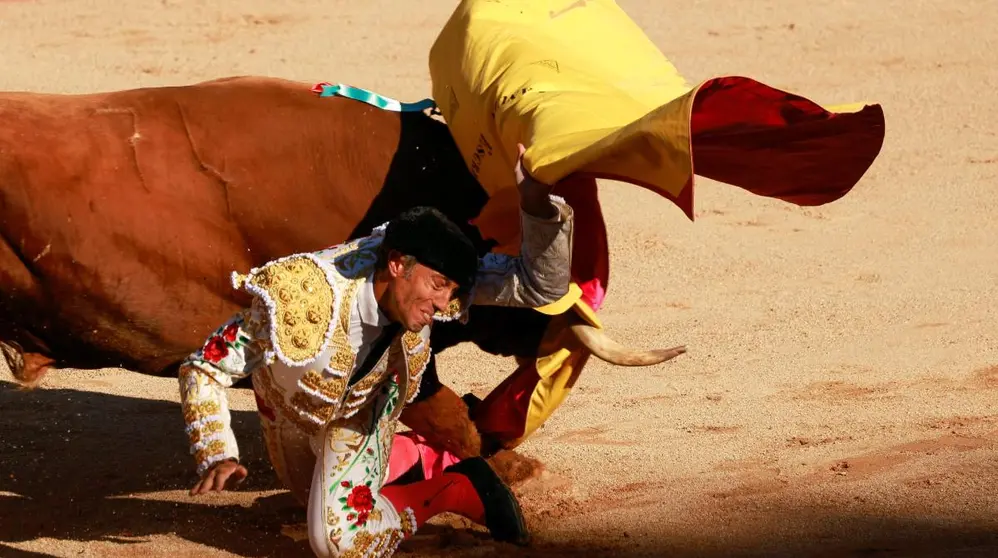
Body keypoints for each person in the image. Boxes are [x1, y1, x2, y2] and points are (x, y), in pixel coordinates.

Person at [177, 144, 574, 557]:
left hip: (365, 408)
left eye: (451, 290)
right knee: (308, 496)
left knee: (341, 542)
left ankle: (454, 489)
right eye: (438, 286)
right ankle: (420, 458)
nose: (444, 305)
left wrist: (538, 206)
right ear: (398, 264)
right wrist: (216, 450)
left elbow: (541, 287)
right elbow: (205, 367)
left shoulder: (434, 275)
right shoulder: (301, 299)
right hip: (288, 405)